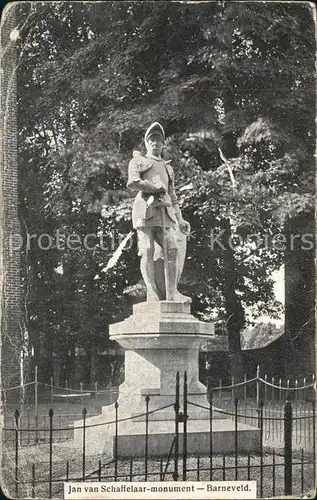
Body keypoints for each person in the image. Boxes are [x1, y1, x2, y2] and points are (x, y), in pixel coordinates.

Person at [127, 122, 191, 302]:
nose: (155, 143)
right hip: (145, 210)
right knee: (147, 250)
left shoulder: (167, 167)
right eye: (152, 140)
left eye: (158, 140)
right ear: (146, 143)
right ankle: (152, 291)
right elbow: (133, 182)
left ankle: (172, 293)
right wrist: (153, 187)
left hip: (165, 211)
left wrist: (180, 219)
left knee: (172, 248)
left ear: (163, 143)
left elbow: (173, 195)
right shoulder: (138, 161)